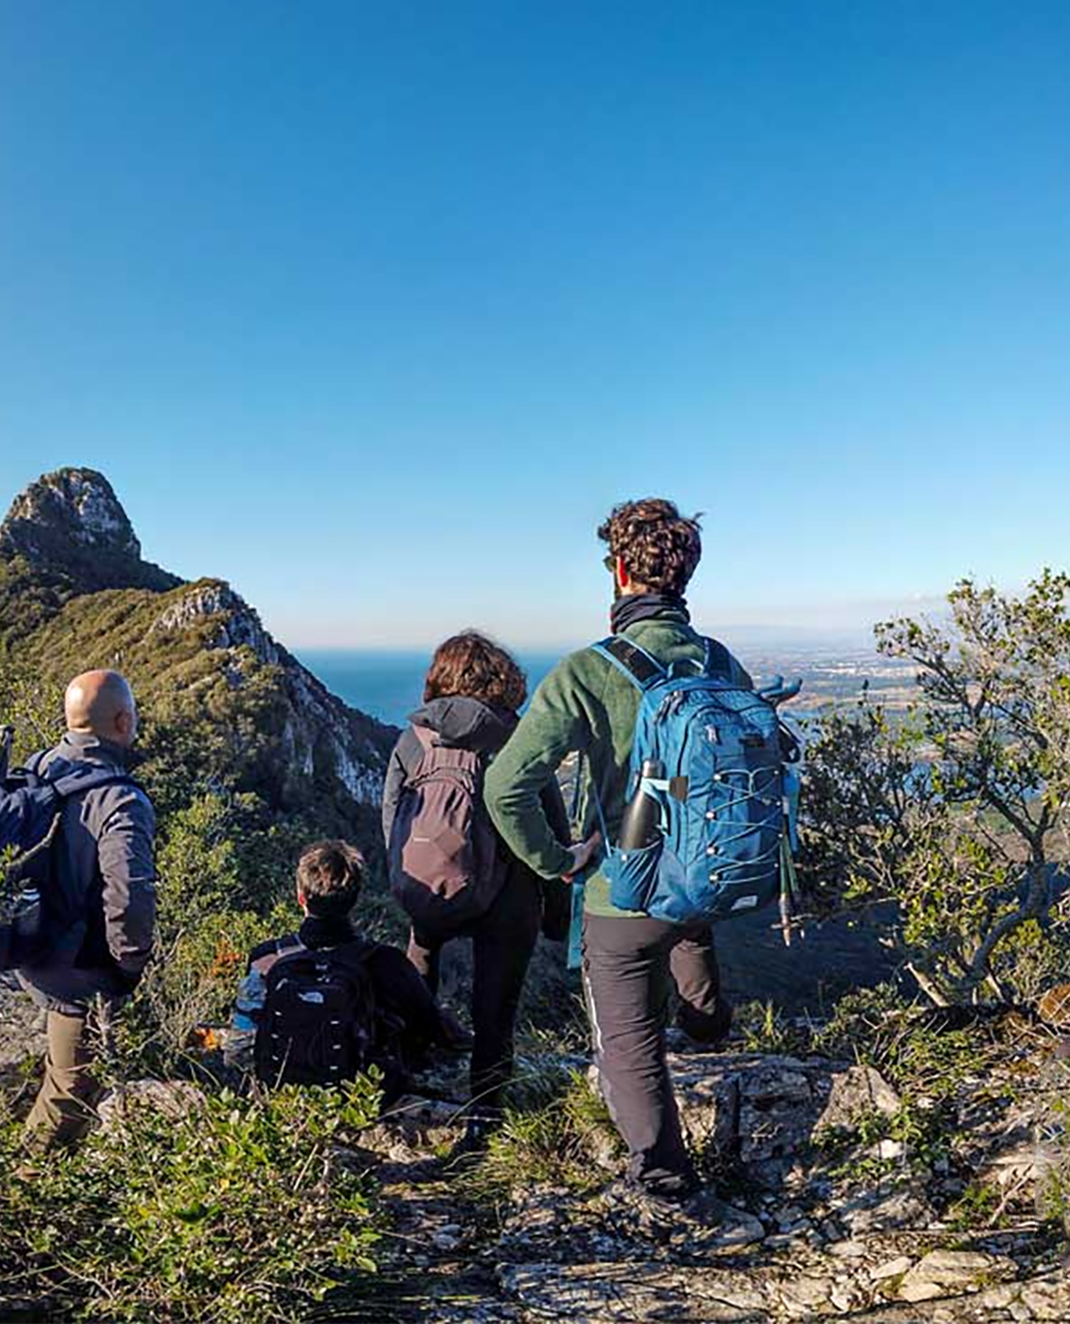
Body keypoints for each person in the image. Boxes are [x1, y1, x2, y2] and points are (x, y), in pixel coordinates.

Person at [482, 499, 758, 1242]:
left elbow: (505, 786)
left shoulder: (589, 672)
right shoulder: (721, 661)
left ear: (621, 570)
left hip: (623, 895)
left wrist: (558, 863)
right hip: (707, 877)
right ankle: (710, 1028)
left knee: (627, 1043)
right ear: (684, 574)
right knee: (686, 935)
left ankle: (666, 1182)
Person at [382, 631, 572, 1157]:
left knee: (419, 965)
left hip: (429, 887)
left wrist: (408, 887)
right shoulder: (515, 740)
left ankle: (410, 1074)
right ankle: (485, 1117)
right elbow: (551, 831)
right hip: (506, 899)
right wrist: (558, 918)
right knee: (495, 1009)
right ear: (503, 681)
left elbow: (393, 820)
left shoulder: (413, 739)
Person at [15, 669, 157, 1152]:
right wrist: (129, 966)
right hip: (74, 973)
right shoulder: (121, 800)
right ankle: (15, 1193)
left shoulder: (39, 767)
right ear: (122, 721)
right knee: (70, 1091)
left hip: (26, 945)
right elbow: (130, 896)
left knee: (63, 1074)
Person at [229, 840, 451, 1103]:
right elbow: (433, 1029)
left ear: (301, 896)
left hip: (278, 1095)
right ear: (355, 898)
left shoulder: (265, 957)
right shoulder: (386, 961)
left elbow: (243, 1036)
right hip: (361, 1100)